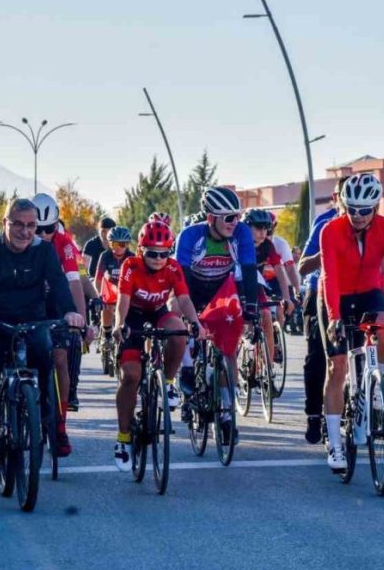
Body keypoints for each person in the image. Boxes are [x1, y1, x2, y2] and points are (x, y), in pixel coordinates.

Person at [0, 198, 82, 479]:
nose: (25, 232)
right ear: (5, 223)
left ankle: (48, 417)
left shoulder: (45, 252)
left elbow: (60, 286)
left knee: (46, 359)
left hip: (31, 324)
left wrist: (70, 313)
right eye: (18, 224)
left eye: (31, 226)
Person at [319, 173, 384, 471]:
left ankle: (376, 383)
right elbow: (329, 276)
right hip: (337, 296)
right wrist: (335, 317)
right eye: (352, 209)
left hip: (369, 293)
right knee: (337, 369)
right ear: (344, 206)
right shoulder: (331, 231)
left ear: (376, 207)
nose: (358, 216)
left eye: (365, 210)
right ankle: (335, 445)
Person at [111, 221, 205, 470]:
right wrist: (120, 323)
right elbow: (123, 299)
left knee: (178, 331)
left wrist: (195, 323)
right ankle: (123, 440)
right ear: (141, 250)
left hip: (158, 312)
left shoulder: (173, 268)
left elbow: (183, 299)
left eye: (164, 252)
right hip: (133, 315)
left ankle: (170, 384)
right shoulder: (130, 265)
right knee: (131, 376)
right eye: (152, 252)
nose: (159, 258)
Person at [174, 186, 259, 444]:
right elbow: (180, 281)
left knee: (228, 350)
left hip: (222, 289)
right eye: (229, 218)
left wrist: (251, 310)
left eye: (237, 216)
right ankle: (186, 370)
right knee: (176, 317)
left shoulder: (241, 234)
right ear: (210, 218)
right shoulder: (190, 236)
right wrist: (191, 318)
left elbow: (249, 270)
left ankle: (226, 413)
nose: (236, 223)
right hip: (191, 288)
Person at [31, 193, 92, 438]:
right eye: (39, 229)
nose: (44, 235)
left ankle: (60, 424)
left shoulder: (65, 243)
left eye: (49, 229)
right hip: (28, 303)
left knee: (60, 358)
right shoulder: (20, 238)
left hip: (56, 303)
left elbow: (75, 283)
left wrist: (80, 319)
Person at [296, 176, 346, 444]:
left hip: (353, 290)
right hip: (319, 290)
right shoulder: (323, 223)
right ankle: (314, 414)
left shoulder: (369, 222)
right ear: (336, 198)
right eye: (341, 196)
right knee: (318, 355)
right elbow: (303, 266)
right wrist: (326, 254)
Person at [244, 208, 293, 394]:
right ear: (247, 227)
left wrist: (287, 296)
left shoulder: (268, 246)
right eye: (258, 227)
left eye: (266, 228)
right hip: (235, 282)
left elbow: (280, 270)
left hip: (255, 284)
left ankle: (267, 370)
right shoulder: (237, 242)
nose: (263, 232)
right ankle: (243, 346)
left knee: (266, 314)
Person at [96, 226, 136, 344]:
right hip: (110, 288)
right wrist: (98, 296)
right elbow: (98, 279)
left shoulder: (132, 257)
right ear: (109, 244)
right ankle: (107, 333)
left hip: (126, 290)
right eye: (114, 244)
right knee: (106, 304)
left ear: (127, 245)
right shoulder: (105, 256)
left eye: (122, 245)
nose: (118, 248)